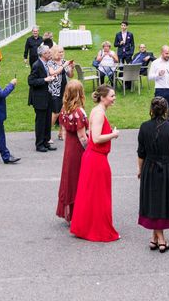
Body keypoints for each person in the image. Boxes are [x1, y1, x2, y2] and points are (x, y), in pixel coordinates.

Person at [137, 97, 169, 253]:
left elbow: (141, 153)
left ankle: (154, 238)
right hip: (167, 170)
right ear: (166, 110)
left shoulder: (144, 127)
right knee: (162, 202)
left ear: (152, 110)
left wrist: (140, 169)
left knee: (153, 201)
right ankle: (161, 240)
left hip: (149, 168)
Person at [70, 85, 120, 242]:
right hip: (96, 158)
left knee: (91, 194)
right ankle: (98, 229)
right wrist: (113, 134)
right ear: (103, 97)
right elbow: (96, 138)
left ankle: (85, 227)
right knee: (99, 195)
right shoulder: (98, 113)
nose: (114, 98)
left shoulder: (97, 111)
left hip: (94, 157)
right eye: (112, 96)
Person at [57, 80, 89, 222]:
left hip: (69, 148)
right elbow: (82, 137)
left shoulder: (64, 110)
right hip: (77, 149)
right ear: (79, 94)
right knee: (78, 179)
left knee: (69, 179)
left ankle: (71, 212)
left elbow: (63, 132)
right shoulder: (79, 112)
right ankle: (79, 212)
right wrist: (90, 151)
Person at [28, 44, 57, 152]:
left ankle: (46, 142)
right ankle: (39, 144)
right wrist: (45, 79)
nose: (50, 54)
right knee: (40, 122)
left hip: (47, 96)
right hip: (39, 98)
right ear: (43, 54)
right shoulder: (37, 65)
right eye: (48, 52)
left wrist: (50, 78)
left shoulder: (46, 63)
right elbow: (31, 81)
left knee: (47, 120)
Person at [47, 45, 75, 141]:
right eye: (59, 52)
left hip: (65, 90)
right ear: (54, 52)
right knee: (55, 113)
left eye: (62, 52)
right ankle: (46, 134)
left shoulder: (64, 61)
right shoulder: (50, 62)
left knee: (65, 112)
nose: (62, 54)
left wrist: (71, 68)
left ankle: (61, 133)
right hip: (55, 91)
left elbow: (70, 75)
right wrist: (64, 66)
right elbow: (53, 73)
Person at [148, 46, 169, 123]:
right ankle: (157, 127)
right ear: (162, 53)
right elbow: (150, 77)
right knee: (157, 111)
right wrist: (158, 75)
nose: (168, 55)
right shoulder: (155, 63)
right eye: (166, 53)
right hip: (160, 89)